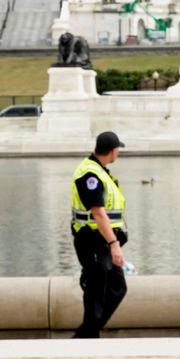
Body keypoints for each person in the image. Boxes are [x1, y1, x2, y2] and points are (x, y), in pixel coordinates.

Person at [70, 130, 128, 337]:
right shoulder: (90, 174)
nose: (118, 153)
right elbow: (98, 213)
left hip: (102, 241)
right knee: (96, 290)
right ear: (112, 151)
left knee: (117, 288)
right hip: (92, 240)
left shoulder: (100, 171)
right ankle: (88, 335)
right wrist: (114, 244)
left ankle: (86, 333)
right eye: (118, 149)